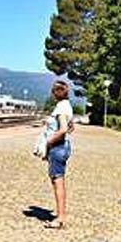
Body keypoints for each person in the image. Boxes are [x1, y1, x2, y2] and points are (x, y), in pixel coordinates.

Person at [43, 80, 74, 229]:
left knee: (58, 182)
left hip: (58, 147)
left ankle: (60, 218)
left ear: (55, 93)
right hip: (64, 146)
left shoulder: (61, 108)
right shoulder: (67, 106)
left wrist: (48, 142)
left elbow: (62, 130)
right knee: (58, 181)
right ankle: (60, 215)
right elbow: (70, 127)